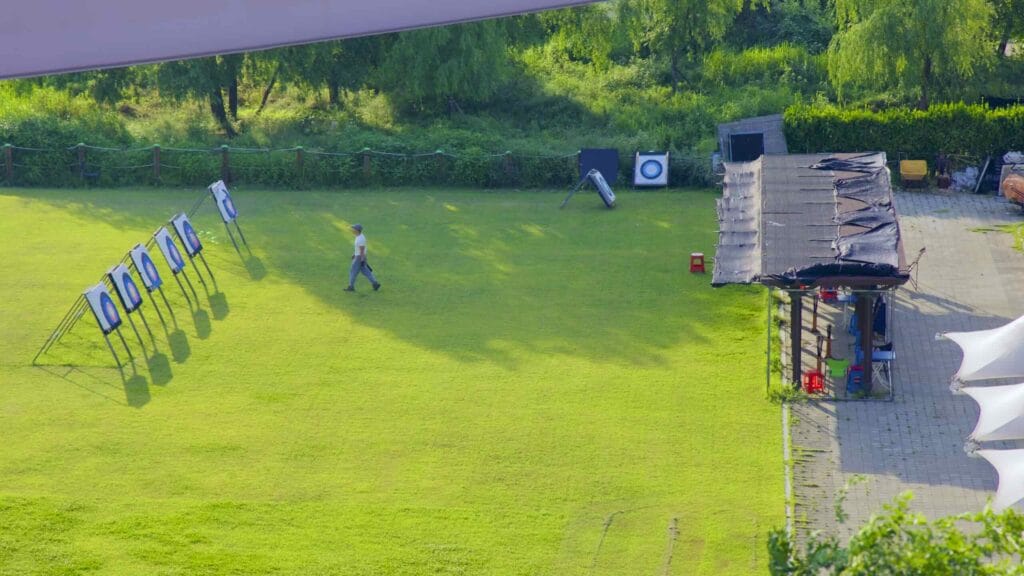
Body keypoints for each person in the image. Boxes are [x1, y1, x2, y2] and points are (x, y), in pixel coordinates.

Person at [345, 223, 381, 292]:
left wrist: (361, 260)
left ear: (357, 230)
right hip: (359, 256)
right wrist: (354, 254)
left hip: (359, 258)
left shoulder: (360, 239)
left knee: (353, 272)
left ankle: (351, 287)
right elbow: (358, 248)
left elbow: (362, 250)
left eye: (354, 229)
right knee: (366, 272)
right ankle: (375, 284)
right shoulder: (359, 236)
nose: (352, 230)